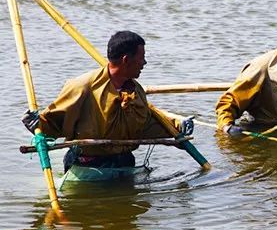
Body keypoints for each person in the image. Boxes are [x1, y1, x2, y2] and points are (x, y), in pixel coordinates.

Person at [21, 31, 193, 171]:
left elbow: (145, 125)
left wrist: (177, 128)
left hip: (124, 164)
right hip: (86, 165)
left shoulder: (136, 91)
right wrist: (36, 124)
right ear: (126, 60)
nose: (144, 62)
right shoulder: (83, 86)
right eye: (141, 57)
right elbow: (55, 124)